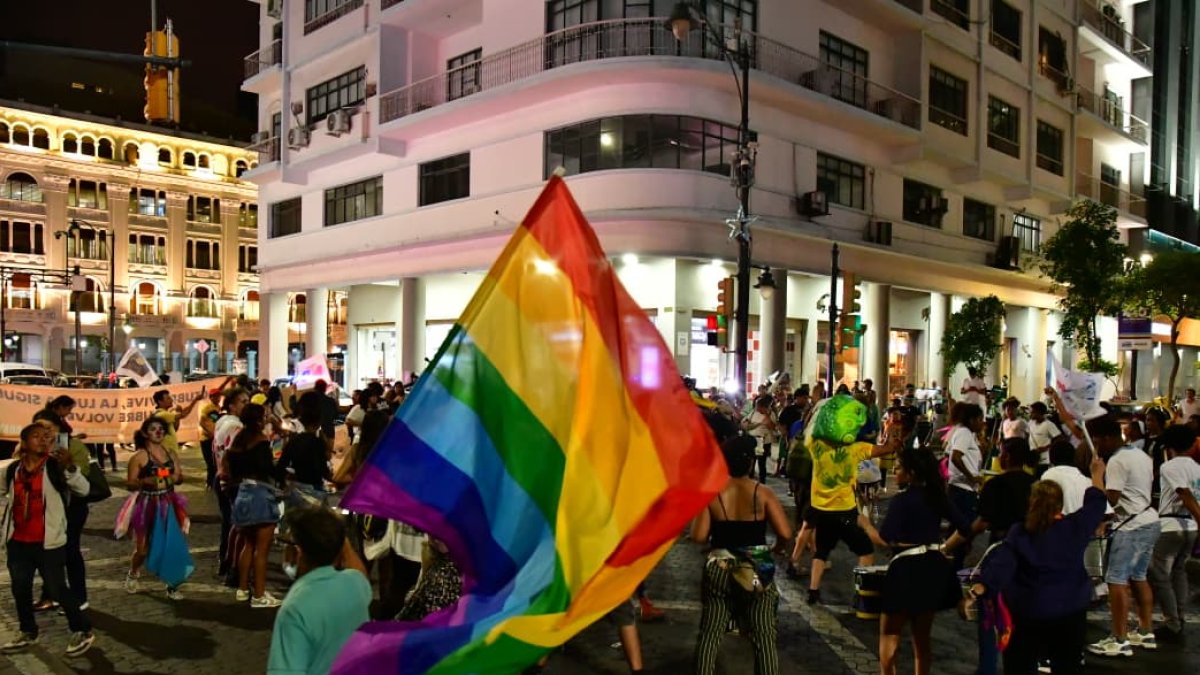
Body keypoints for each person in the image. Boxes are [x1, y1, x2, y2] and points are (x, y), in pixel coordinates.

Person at [969, 457, 1108, 675]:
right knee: (1068, 666)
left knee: (1020, 666)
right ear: (1060, 504)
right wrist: (1097, 475)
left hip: (1028, 612)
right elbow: (1097, 503)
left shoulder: (1019, 533)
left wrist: (983, 586)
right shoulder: (1074, 528)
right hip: (1069, 610)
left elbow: (1003, 564)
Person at [861, 443, 968, 675]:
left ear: (911, 473)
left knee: (890, 634)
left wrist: (865, 524)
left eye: (899, 468)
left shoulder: (902, 500)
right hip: (933, 567)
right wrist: (942, 547)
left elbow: (883, 539)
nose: (894, 472)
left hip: (905, 569)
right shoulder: (937, 496)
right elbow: (965, 527)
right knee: (922, 638)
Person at [691, 436, 791, 675]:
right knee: (764, 636)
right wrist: (777, 548)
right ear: (750, 463)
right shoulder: (763, 492)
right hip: (756, 568)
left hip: (720, 565)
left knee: (710, 634)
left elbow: (698, 536)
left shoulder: (712, 492)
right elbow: (785, 532)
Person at [0, 424, 94, 656]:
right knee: (20, 589)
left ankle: (82, 630)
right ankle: (28, 632)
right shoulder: (13, 469)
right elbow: (7, 495)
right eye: (36, 436)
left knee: (57, 589)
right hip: (18, 541)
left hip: (48, 542)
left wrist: (70, 466)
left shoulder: (55, 467)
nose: (43, 440)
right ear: (23, 442)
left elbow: (83, 489)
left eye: (47, 437)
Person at [802, 394, 901, 605]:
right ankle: (861, 592)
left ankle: (813, 590)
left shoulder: (816, 446)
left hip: (821, 508)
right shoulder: (856, 450)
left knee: (822, 550)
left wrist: (819, 410)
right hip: (845, 510)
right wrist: (891, 434)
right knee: (865, 549)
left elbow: (810, 425)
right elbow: (887, 449)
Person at [1086, 414, 1161, 657]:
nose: (1096, 446)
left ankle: (1119, 638)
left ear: (1108, 438)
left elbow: (1111, 499)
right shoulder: (1141, 455)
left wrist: (1097, 475)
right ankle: (1145, 630)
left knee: (1116, 580)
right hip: (1149, 521)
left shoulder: (1117, 461)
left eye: (1097, 440)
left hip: (1130, 527)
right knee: (1139, 576)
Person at [268, 507, 370, 675]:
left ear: (299, 552)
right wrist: (340, 541)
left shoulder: (295, 608)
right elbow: (360, 572)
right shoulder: (355, 584)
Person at [115, 417, 192, 600]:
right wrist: (144, 481)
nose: (158, 432)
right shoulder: (139, 457)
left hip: (168, 502)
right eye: (153, 429)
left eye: (161, 429)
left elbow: (178, 477)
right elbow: (130, 483)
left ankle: (172, 584)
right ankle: (133, 572)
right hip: (147, 504)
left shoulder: (171, 453)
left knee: (171, 544)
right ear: (145, 433)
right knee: (142, 549)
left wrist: (172, 477)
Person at [31, 396, 93, 613]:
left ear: (58, 428)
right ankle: (51, 595)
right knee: (47, 554)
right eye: (37, 429)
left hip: (72, 508)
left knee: (70, 552)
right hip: (44, 511)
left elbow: (82, 484)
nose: (44, 434)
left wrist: (66, 465)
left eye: (48, 428)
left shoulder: (72, 447)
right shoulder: (32, 450)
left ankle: (79, 597)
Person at [225, 403, 283, 608]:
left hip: (243, 492)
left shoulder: (239, 439)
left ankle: (242, 589)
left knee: (247, 544)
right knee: (262, 549)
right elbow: (268, 469)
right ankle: (259, 595)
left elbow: (229, 463)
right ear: (259, 420)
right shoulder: (260, 441)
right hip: (259, 493)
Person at [1148, 424, 1200, 643]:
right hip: (1190, 528)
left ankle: (1172, 623)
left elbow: (1186, 496)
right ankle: (1179, 617)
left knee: (1158, 574)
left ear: (1170, 445)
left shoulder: (1170, 467)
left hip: (1171, 525)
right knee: (1179, 572)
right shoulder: (1197, 468)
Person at [213, 386, 250, 582]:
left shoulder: (221, 421)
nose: (247, 404)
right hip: (232, 479)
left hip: (220, 477)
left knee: (229, 522)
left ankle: (225, 561)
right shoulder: (236, 427)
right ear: (231, 405)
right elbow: (233, 455)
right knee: (238, 526)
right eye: (243, 401)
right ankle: (233, 567)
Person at [945, 402, 986, 569]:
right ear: (972, 419)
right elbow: (955, 456)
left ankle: (952, 563)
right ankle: (954, 565)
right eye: (980, 419)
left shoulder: (964, 433)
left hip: (961, 488)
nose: (982, 423)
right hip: (962, 489)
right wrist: (972, 477)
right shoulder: (965, 433)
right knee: (964, 529)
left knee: (960, 528)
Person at [151, 386, 206, 455]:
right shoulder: (162, 414)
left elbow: (175, 428)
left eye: (170, 398)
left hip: (169, 451)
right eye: (168, 398)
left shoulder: (165, 414)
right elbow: (184, 414)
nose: (171, 400)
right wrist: (195, 400)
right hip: (166, 452)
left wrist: (178, 412)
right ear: (160, 402)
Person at [743, 395, 778, 483]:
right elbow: (745, 422)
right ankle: (750, 478)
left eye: (758, 406)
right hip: (753, 439)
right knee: (751, 459)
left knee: (761, 462)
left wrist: (767, 416)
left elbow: (773, 427)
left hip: (764, 441)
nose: (757, 408)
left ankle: (762, 481)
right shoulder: (753, 412)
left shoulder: (771, 414)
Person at [298, 380, 338, 444]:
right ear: (325, 389)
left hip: (310, 432)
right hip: (328, 432)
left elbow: (296, 410)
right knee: (327, 452)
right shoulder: (331, 401)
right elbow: (335, 415)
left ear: (315, 387)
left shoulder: (308, 398)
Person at [1026, 402, 1061, 477]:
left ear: (1039, 412)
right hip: (1032, 458)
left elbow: (1059, 439)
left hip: (1044, 460)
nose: (1030, 414)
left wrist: (1045, 448)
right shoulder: (1030, 423)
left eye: (1032, 412)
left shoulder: (1049, 424)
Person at [198, 388, 223, 491]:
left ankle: (213, 483)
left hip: (214, 439)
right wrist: (211, 434)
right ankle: (209, 483)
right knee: (210, 463)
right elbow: (201, 422)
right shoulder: (208, 408)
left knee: (215, 462)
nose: (217, 398)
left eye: (218, 396)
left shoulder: (218, 408)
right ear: (211, 397)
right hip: (207, 439)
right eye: (215, 396)